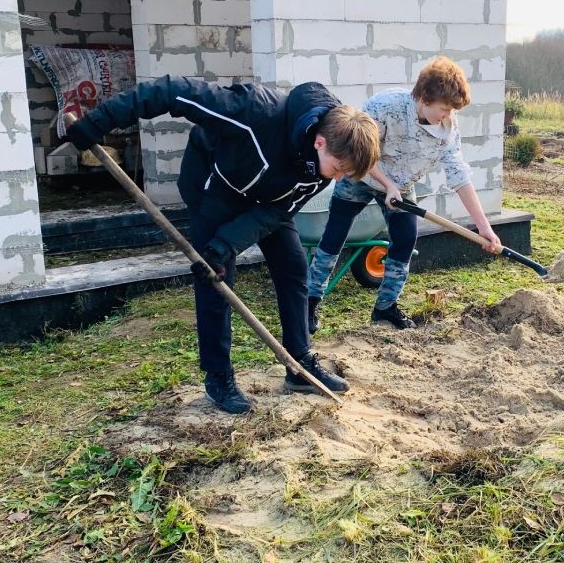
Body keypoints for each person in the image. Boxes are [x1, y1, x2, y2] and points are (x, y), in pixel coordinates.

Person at [65, 76, 379, 414]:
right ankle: (218, 376)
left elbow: (278, 212)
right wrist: (99, 122)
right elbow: (171, 92)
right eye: (338, 169)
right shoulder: (253, 112)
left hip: (269, 202)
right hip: (215, 188)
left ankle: (298, 363)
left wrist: (229, 242)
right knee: (215, 277)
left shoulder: (320, 167)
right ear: (320, 141)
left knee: (293, 269)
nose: (337, 178)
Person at [306, 57, 502, 332]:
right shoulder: (385, 107)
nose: (448, 115)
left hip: (401, 186)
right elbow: (359, 151)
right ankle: (310, 301)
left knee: (406, 239)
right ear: (424, 98)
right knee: (334, 235)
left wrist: (484, 227)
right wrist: (387, 185)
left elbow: (458, 174)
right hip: (360, 173)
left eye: (452, 110)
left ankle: (385, 308)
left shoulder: (447, 129)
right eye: (444, 109)